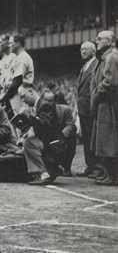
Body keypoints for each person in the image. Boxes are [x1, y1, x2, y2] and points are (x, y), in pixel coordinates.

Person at [23, 91, 76, 185]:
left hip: (58, 142)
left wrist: (61, 136)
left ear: (55, 101)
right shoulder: (36, 111)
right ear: (42, 99)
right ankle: (42, 172)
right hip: (44, 142)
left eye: (50, 100)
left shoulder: (64, 110)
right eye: (46, 100)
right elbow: (35, 130)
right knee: (28, 142)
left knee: (71, 137)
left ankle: (62, 167)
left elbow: (71, 126)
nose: (47, 103)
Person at [90, 30, 118, 185]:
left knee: (109, 140)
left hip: (108, 103)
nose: (97, 40)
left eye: (100, 39)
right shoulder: (106, 57)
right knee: (105, 139)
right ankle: (109, 173)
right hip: (105, 103)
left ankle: (113, 176)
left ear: (109, 41)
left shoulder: (111, 57)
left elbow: (110, 82)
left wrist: (97, 93)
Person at [76, 41, 98, 177]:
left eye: (85, 49)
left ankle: (96, 167)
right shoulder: (84, 66)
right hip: (83, 108)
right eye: (81, 49)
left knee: (92, 138)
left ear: (93, 51)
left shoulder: (96, 65)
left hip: (90, 108)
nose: (82, 51)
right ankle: (90, 166)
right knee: (86, 138)